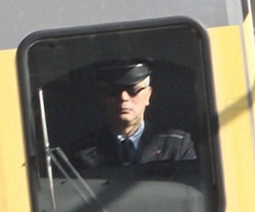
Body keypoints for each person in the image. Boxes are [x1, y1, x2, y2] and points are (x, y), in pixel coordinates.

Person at [66, 59, 197, 173]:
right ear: (103, 98)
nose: (123, 98)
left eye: (133, 91)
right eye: (114, 92)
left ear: (148, 95)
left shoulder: (176, 145)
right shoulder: (80, 152)